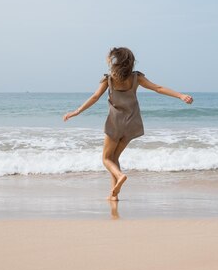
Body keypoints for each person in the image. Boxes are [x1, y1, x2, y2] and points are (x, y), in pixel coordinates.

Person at [63, 47, 193, 200]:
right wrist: (181, 95)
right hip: (132, 122)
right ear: (130, 62)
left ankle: (120, 175)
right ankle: (114, 194)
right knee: (115, 157)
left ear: (115, 62)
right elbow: (158, 88)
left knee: (106, 158)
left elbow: (94, 97)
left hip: (115, 122)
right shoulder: (137, 77)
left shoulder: (109, 79)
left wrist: (76, 111)